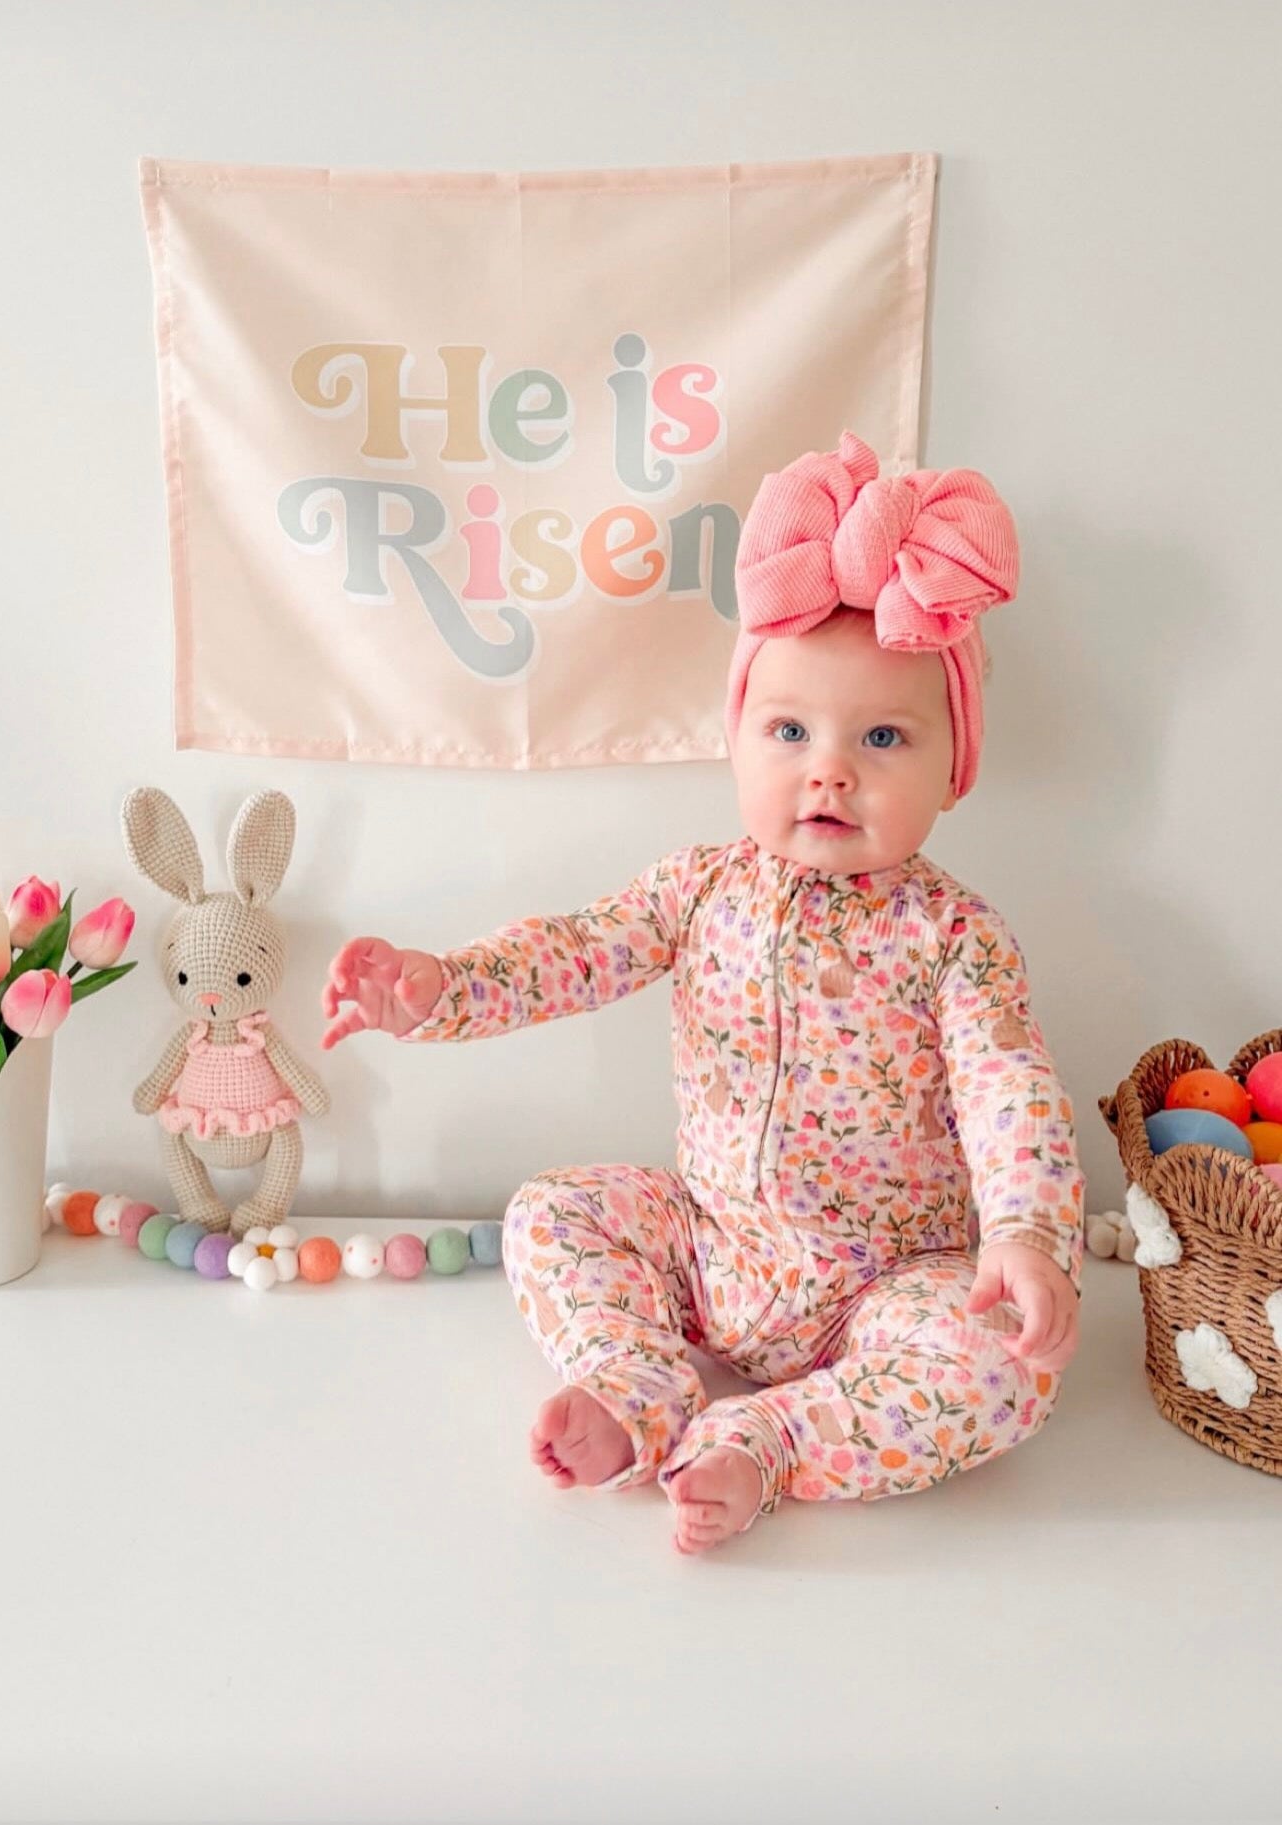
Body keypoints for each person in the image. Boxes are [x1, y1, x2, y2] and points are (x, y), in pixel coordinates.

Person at [322, 431, 1083, 1554]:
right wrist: (439, 990)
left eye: (882, 737)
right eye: (789, 731)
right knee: (550, 1211)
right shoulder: (700, 887)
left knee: (1006, 1370)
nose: (830, 768)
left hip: (885, 1280)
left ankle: (769, 1440)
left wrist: (1025, 1232)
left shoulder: (954, 936)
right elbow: (574, 952)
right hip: (710, 1244)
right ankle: (636, 1384)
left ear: (951, 767)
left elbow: (1008, 1089)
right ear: (735, 740)